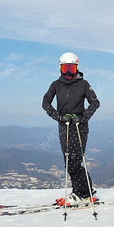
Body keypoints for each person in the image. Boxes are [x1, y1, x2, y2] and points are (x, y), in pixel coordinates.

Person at [42, 52, 100, 206]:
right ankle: (80, 190)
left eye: (72, 69)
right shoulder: (55, 85)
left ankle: (84, 193)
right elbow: (45, 103)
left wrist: (82, 117)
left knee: (75, 161)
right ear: (60, 69)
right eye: (65, 68)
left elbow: (95, 103)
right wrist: (59, 117)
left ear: (77, 68)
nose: (68, 72)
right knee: (68, 160)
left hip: (79, 127)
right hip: (63, 126)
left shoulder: (84, 84)